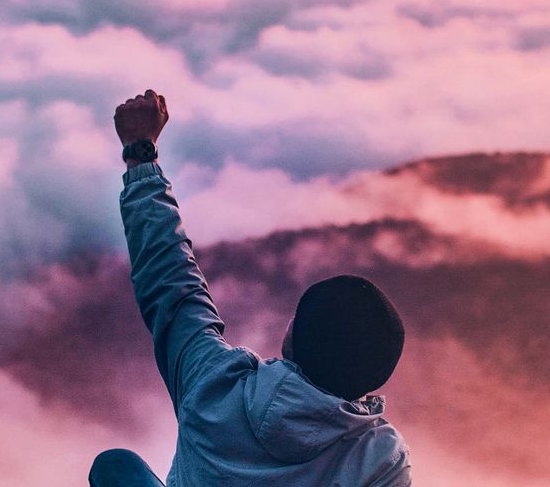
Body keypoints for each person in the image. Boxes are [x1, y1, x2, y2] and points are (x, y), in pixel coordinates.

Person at [91, 90, 411, 486]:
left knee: (115, 467)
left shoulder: (213, 383)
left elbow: (171, 282)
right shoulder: (379, 459)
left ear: (292, 338)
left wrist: (141, 154)